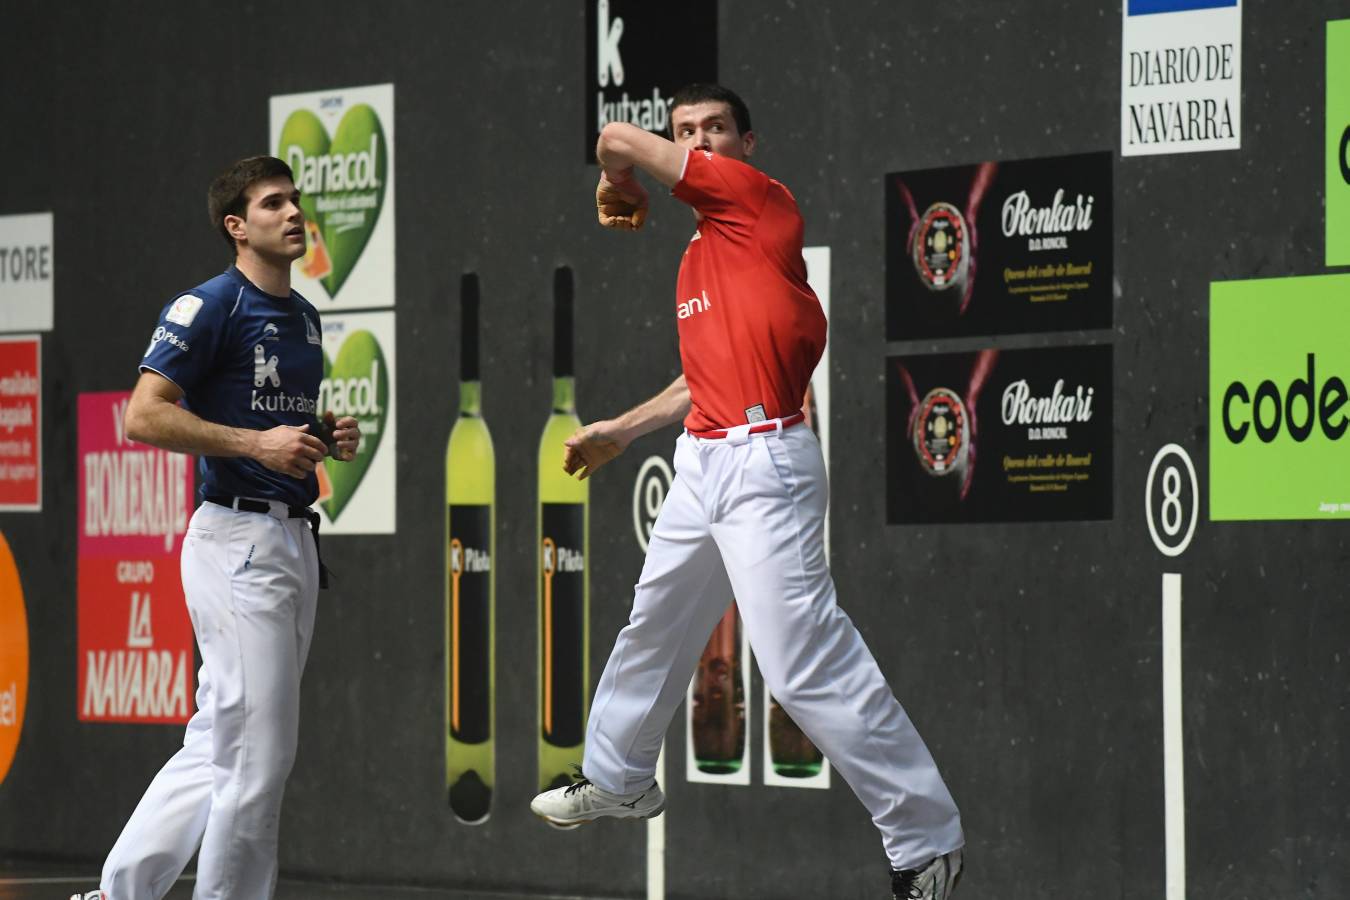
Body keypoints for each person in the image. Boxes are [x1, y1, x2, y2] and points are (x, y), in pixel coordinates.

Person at [528, 84, 965, 900]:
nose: (700, 140)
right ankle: (619, 775)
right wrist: (622, 430)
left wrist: (618, 177)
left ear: (746, 143)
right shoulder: (697, 255)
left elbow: (616, 137)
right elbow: (702, 379)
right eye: (688, 130)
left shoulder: (758, 203)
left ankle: (926, 839)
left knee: (800, 667)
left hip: (768, 466)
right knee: (653, 620)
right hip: (702, 464)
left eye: (714, 129)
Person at [77, 156, 361, 900]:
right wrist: (255, 445)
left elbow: (271, 421)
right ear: (237, 227)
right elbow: (145, 414)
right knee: (259, 757)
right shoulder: (210, 306)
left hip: (293, 541)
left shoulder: (302, 316)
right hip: (237, 545)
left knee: (220, 740)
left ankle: (119, 892)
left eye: (296, 200)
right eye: (274, 204)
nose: (294, 213)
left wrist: (320, 436)